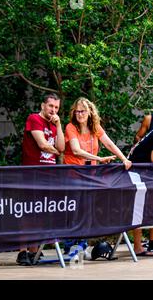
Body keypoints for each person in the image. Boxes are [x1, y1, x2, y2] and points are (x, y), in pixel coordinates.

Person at [63, 97, 132, 257]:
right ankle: (70, 249)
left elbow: (109, 144)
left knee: (86, 213)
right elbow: (76, 150)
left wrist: (124, 159)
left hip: (90, 176)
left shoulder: (95, 128)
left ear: (89, 112)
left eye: (83, 111)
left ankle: (82, 246)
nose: (80, 114)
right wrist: (99, 159)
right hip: (74, 176)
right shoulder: (71, 127)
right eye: (77, 111)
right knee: (74, 213)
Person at [18, 93, 65, 265]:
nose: (53, 110)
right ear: (43, 105)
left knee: (42, 213)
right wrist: (56, 150)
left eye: (56, 107)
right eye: (51, 106)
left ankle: (34, 251)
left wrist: (59, 126)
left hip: (48, 174)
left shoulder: (53, 124)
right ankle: (23, 251)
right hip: (32, 173)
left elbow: (61, 147)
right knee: (28, 213)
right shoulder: (34, 119)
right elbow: (43, 145)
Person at [127, 113, 153, 256]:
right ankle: (137, 246)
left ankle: (152, 244)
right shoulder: (150, 119)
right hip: (136, 165)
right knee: (139, 204)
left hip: (147, 165)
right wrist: (142, 144)